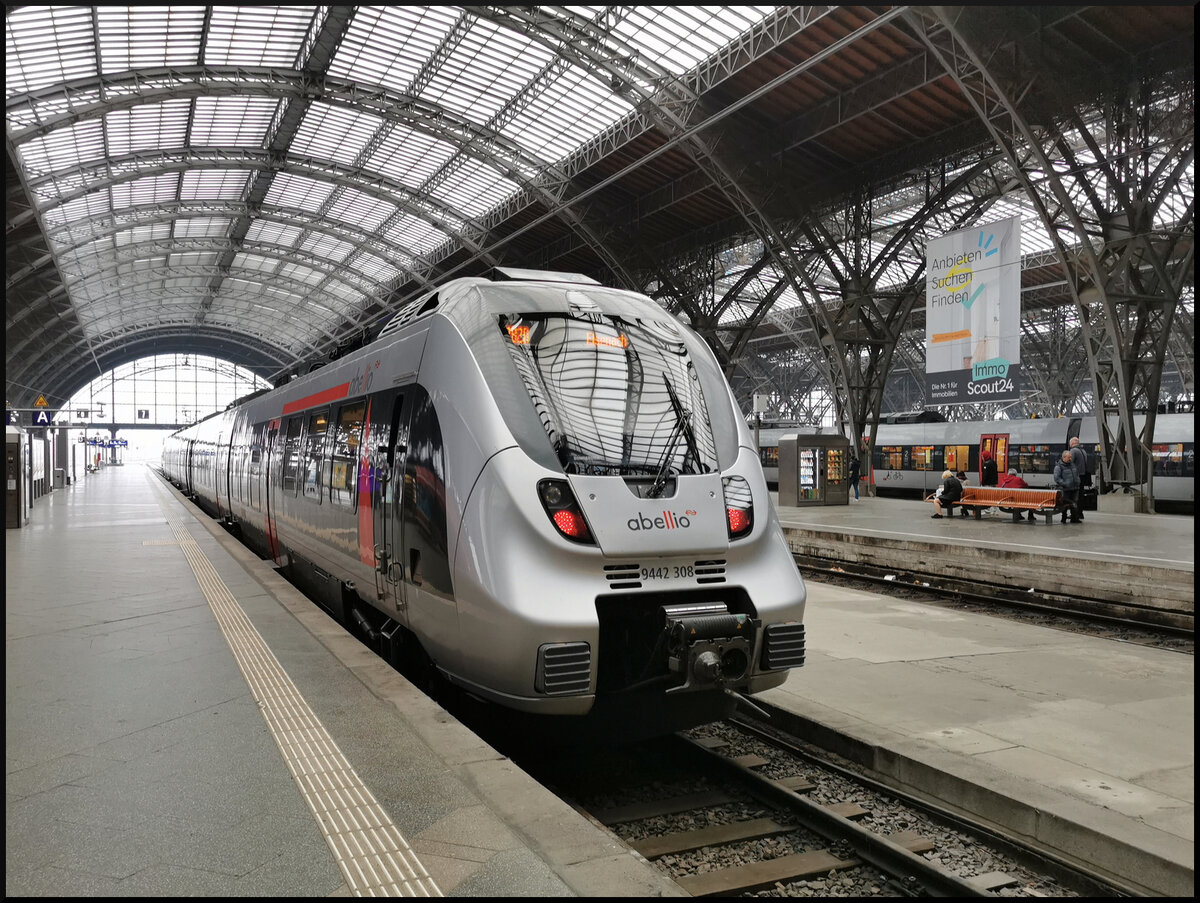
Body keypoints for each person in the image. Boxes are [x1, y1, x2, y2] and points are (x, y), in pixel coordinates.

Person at [1053, 449, 1082, 523]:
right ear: (1064, 457)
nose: (1070, 459)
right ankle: (1064, 518)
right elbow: (1057, 478)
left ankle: (1074, 518)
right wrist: (1065, 483)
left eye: (1070, 457)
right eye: (1069, 457)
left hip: (1075, 487)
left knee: (1075, 503)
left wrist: (1078, 480)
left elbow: (1077, 474)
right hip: (1066, 489)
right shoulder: (1058, 467)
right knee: (1065, 504)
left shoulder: (1072, 464)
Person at [1068, 437, 1089, 520]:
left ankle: (1075, 514)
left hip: (1075, 477)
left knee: (1073, 496)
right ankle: (1080, 513)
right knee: (1080, 496)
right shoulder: (1083, 451)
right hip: (1083, 476)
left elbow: (1069, 463)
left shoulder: (1073, 451)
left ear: (1072, 443)